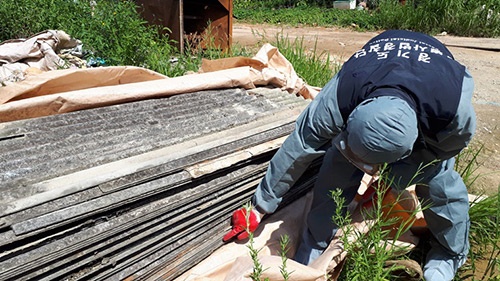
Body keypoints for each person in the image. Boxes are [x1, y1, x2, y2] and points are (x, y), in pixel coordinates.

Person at [223, 29, 476, 281]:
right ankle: (315, 245)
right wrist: (260, 205)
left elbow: (443, 151)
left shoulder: (452, 110)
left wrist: (397, 177)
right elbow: (299, 145)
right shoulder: (340, 96)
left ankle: (449, 252)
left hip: (431, 86)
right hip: (376, 68)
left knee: (439, 183)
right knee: (335, 173)